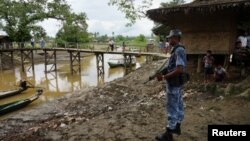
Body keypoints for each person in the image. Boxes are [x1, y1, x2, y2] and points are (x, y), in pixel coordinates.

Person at [155, 29, 187, 141]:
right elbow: (171, 66)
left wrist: (163, 77)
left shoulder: (179, 51)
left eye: (170, 38)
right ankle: (176, 127)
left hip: (174, 84)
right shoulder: (176, 50)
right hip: (175, 83)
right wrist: (161, 72)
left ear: (176, 38)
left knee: (172, 107)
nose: (168, 39)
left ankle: (168, 134)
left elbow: (179, 69)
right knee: (178, 105)